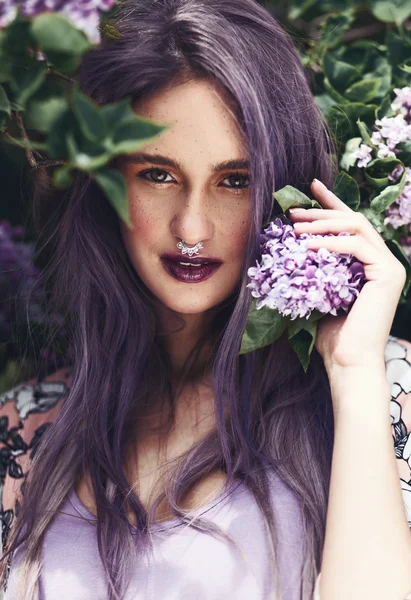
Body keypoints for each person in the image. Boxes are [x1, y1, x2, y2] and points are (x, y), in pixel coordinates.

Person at [1, 1, 411, 599]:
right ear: (106, 180)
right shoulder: (26, 427)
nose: (192, 228)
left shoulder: (387, 393)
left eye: (235, 181)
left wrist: (353, 375)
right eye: (158, 174)